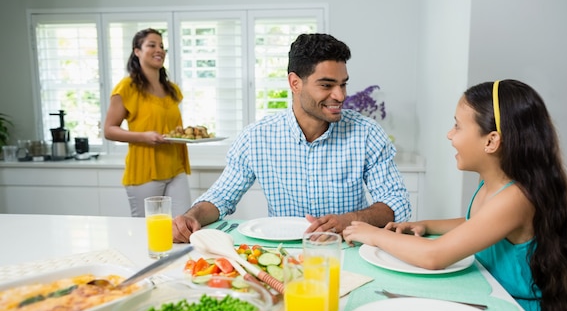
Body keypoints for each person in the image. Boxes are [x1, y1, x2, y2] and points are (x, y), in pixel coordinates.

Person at [343, 79, 567, 311]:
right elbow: (477, 225)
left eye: (457, 126)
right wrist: (425, 224)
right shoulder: (494, 185)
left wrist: (372, 234)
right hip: (493, 298)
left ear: (491, 141)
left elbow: (434, 256)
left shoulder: (516, 198)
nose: (449, 135)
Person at [172, 33, 411, 242]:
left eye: (343, 84)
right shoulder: (257, 137)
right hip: (283, 253)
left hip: (347, 249)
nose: (339, 95)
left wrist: (350, 220)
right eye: (327, 85)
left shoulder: (367, 133)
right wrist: (192, 217)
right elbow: (221, 197)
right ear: (295, 83)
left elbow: (396, 202)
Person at [104, 28, 191, 217]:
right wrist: (143, 136)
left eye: (161, 46)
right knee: (145, 230)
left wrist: (179, 132)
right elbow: (109, 130)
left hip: (175, 167)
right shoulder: (127, 88)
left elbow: (169, 125)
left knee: (184, 226)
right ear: (137, 51)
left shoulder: (171, 89)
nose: (159, 49)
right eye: (151, 45)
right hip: (145, 171)